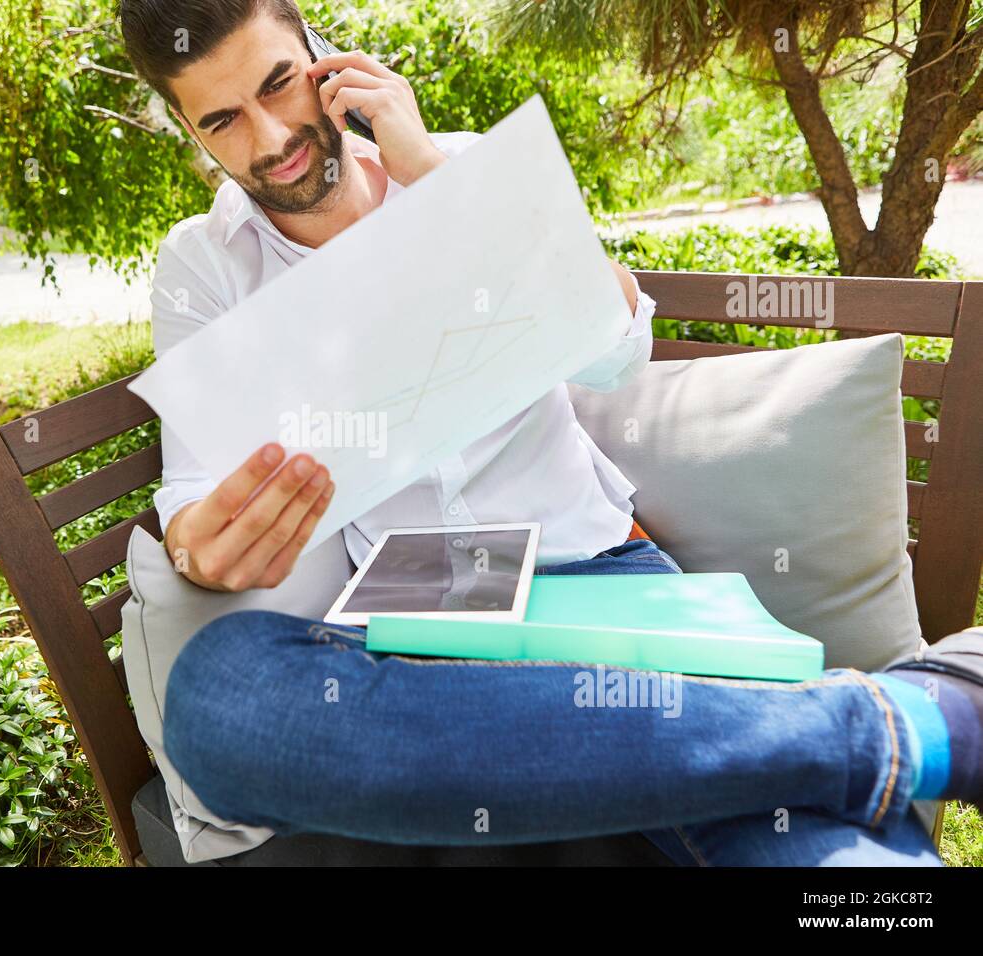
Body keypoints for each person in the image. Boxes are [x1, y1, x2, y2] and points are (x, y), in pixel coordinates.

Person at [119, 0, 983, 865]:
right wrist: (201, 551)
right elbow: (194, 495)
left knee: (837, 860)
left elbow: (618, 344)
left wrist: (439, 179)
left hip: (597, 567)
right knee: (219, 698)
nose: (270, 139)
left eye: (278, 84)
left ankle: (725, 749)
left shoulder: (457, 168)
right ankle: (880, 725)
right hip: (419, 603)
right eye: (224, 119)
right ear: (190, 131)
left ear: (321, 57)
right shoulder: (203, 264)